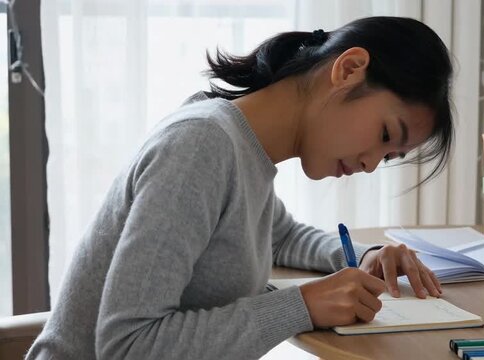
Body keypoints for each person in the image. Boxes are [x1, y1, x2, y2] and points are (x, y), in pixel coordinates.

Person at [27, 16, 453, 360]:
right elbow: (129, 344)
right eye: (384, 135)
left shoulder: (244, 146)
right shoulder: (201, 145)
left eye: (390, 157)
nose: (370, 164)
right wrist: (300, 306)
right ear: (348, 68)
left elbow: (280, 235)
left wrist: (366, 256)